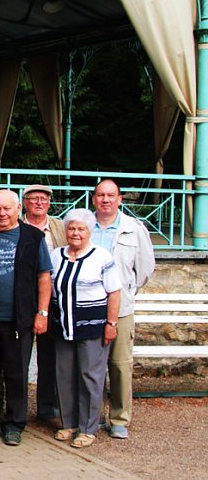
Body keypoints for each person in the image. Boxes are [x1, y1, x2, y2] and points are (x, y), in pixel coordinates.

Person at [0, 190, 52, 446]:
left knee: (16, 373)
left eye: (7, 209)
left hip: (20, 321)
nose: (2, 214)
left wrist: (42, 312)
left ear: (18, 209)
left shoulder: (33, 237)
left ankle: (14, 424)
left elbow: (43, 276)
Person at [50, 209, 122, 449]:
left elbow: (114, 292)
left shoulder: (101, 257)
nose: (75, 233)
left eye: (81, 229)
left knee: (90, 376)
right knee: (64, 375)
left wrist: (111, 324)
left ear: (89, 231)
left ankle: (89, 428)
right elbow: (48, 287)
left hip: (92, 328)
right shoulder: (56, 255)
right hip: (64, 327)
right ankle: (68, 423)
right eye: (71, 228)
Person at [91, 179, 155, 440]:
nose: (105, 200)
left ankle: (119, 418)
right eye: (100, 195)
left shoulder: (133, 229)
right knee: (91, 366)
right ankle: (91, 418)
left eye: (111, 195)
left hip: (122, 309)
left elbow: (145, 269)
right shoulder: (85, 225)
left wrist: (125, 291)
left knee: (119, 365)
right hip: (90, 307)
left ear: (119, 199)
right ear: (93, 199)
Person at [22, 184, 67, 422]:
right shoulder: (16, 224)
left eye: (44, 199)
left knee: (49, 355)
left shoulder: (59, 227)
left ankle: (47, 407)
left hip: (53, 298)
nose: (39, 203)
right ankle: (15, 407)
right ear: (25, 202)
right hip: (23, 298)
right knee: (18, 354)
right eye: (34, 199)